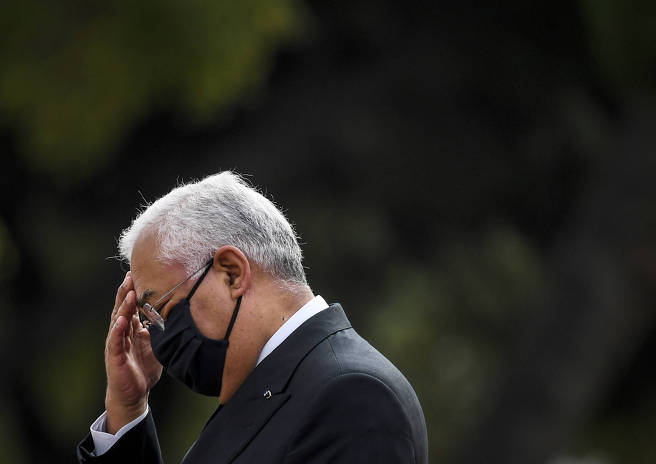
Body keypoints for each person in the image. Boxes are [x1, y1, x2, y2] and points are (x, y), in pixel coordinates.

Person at [76, 171, 428, 463]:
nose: (156, 338)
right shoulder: (264, 397)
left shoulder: (351, 396)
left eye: (160, 309)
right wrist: (127, 408)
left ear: (231, 273)